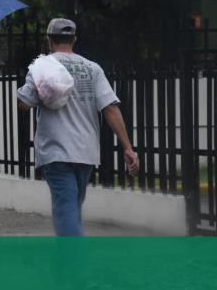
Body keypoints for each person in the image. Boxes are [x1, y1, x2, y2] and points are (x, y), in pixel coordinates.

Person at [17, 18, 140, 236]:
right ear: (74, 39)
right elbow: (110, 108)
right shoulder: (93, 68)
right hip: (86, 153)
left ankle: (77, 266)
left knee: (66, 213)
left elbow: (24, 105)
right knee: (72, 210)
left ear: (49, 39)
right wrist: (128, 147)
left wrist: (40, 90)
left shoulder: (42, 66)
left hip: (56, 152)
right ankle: (66, 265)